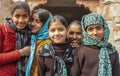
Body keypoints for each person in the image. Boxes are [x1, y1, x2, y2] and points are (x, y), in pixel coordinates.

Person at [0, 1, 31, 76]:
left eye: (25, 16)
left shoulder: (31, 32)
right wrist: (21, 52)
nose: (21, 20)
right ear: (11, 16)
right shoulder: (3, 30)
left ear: (29, 17)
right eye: (17, 16)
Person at [25, 8, 52, 76]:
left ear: (46, 24)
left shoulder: (48, 43)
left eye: (37, 21)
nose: (32, 24)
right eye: (32, 20)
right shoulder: (32, 38)